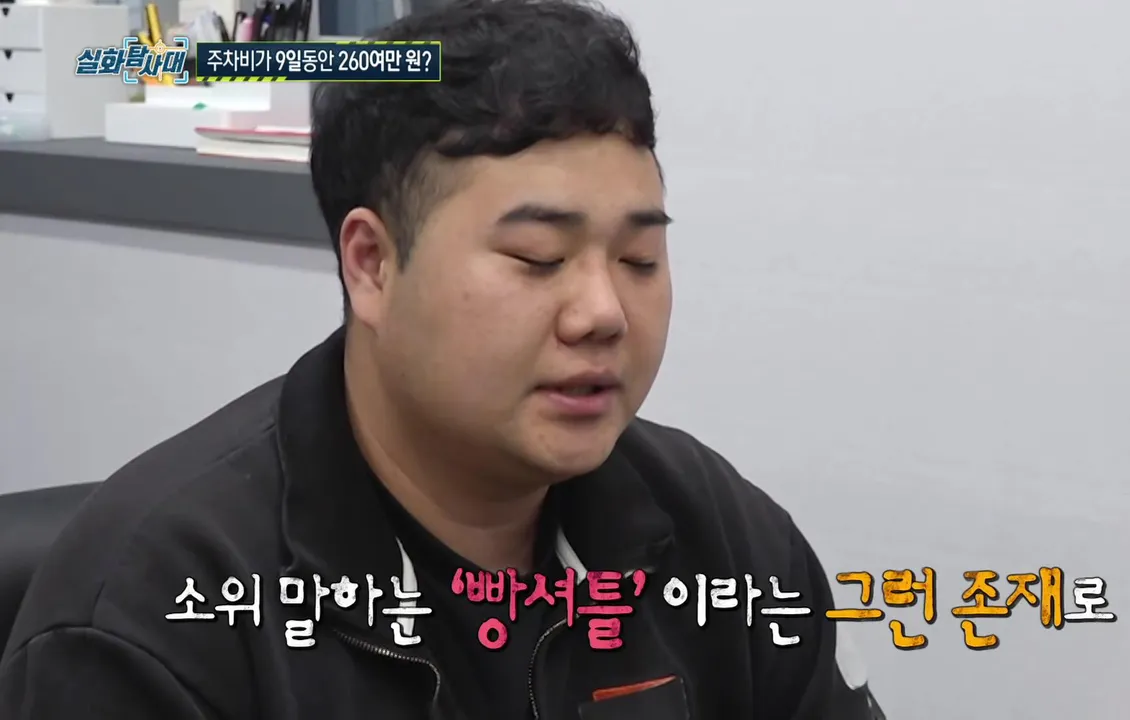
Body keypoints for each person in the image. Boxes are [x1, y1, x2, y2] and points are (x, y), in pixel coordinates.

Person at [0, 1, 887, 717]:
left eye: (639, 259)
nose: (604, 312)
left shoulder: (716, 536)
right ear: (372, 265)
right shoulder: (152, 617)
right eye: (539, 258)